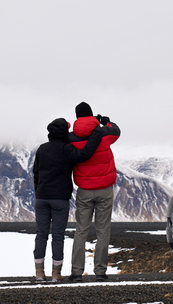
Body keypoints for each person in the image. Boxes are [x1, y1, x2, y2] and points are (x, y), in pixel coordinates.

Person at [31, 117, 104, 282]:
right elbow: (85, 154)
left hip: (42, 198)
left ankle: (39, 272)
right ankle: (56, 274)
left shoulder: (42, 149)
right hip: (60, 199)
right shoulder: (66, 149)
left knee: (41, 234)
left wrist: (39, 192)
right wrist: (96, 135)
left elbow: (35, 173)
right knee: (58, 236)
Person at [68, 101, 121, 282]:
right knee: (102, 231)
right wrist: (106, 121)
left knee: (81, 230)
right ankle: (100, 272)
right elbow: (116, 130)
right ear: (91, 115)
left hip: (84, 191)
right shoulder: (104, 133)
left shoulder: (72, 138)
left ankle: (76, 272)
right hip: (105, 190)